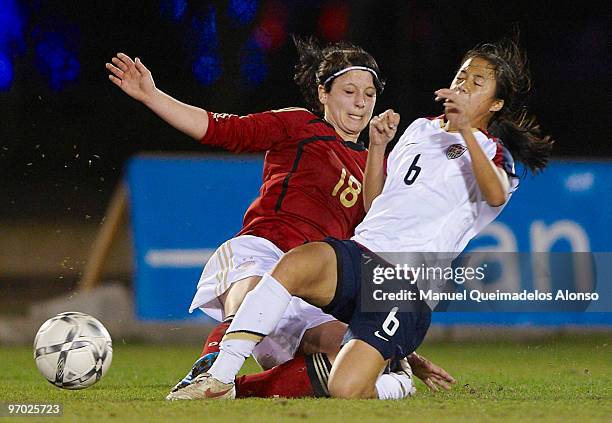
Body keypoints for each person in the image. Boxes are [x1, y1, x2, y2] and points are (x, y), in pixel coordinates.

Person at [168, 36, 554, 400]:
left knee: (345, 387)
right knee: (294, 264)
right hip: (364, 252)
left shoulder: (491, 150)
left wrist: (467, 129)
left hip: (406, 283)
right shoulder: (420, 129)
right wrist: (378, 147)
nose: (464, 85)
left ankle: (396, 384)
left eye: (478, 82)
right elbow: (376, 203)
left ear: (496, 104)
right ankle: (219, 378)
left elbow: (497, 193)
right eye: (461, 76)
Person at [107, 37, 454, 400]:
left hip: (313, 286)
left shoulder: (376, 167)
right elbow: (223, 129)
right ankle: (207, 371)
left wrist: (399, 350)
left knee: (351, 355)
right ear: (323, 93)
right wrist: (152, 96)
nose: (360, 102)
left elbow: (374, 239)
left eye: (369, 94)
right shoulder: (298, 125)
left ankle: (236, 392)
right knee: (253, 294)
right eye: (349, 90)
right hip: (261, 252)